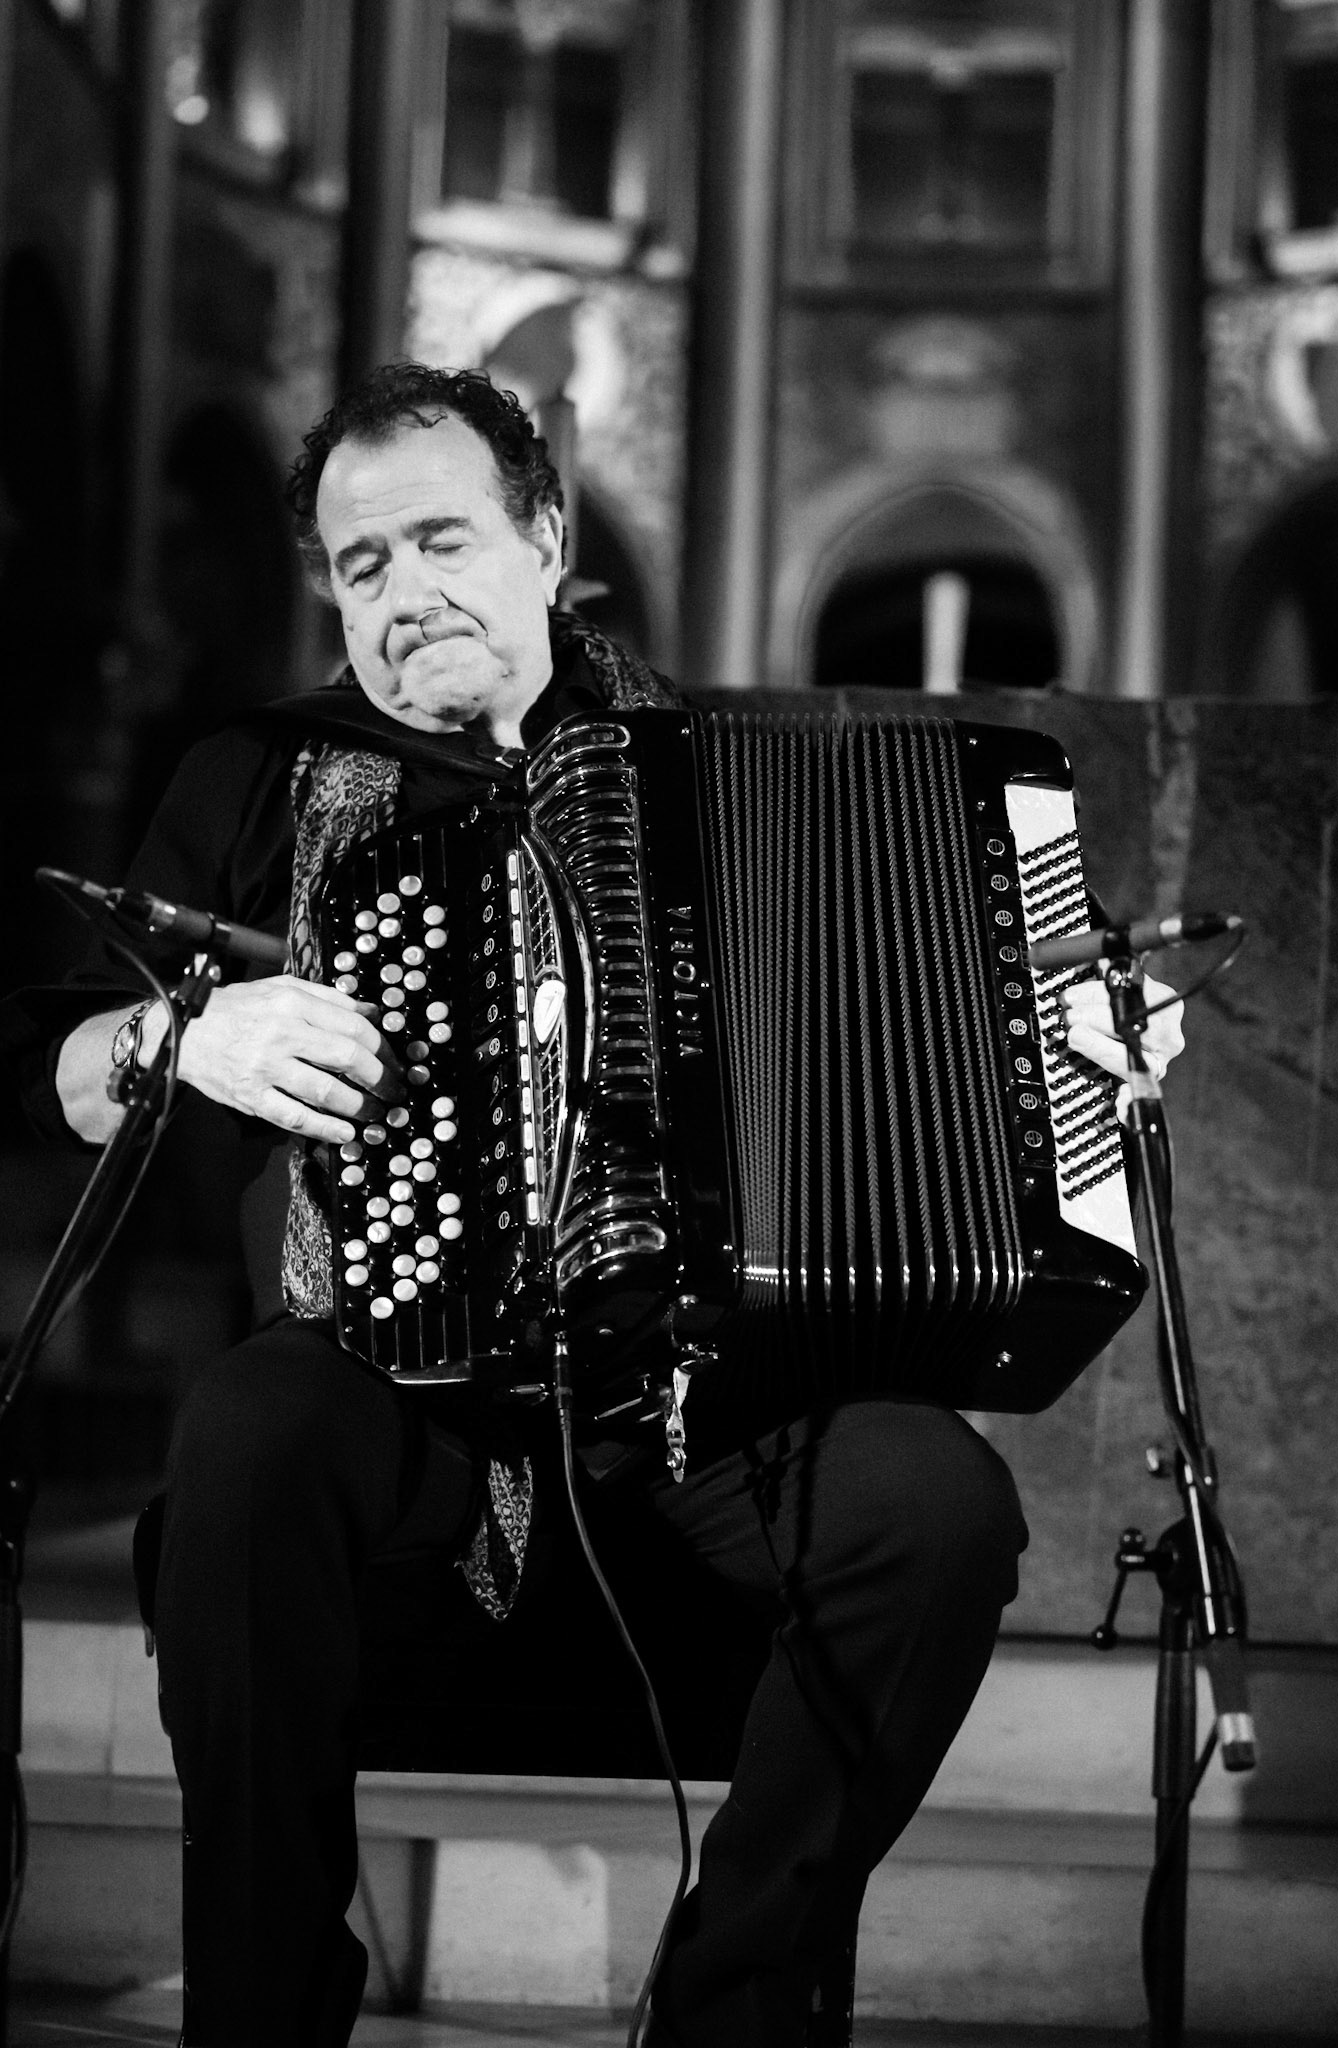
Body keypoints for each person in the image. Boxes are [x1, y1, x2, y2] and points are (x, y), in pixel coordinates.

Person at [8, 363, 1183, 2047]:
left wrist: (1072, 1058)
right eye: (362, 566)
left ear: (544, 538)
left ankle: (725, 2003)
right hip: (392, 1400)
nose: (406, 595)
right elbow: (38, 1054)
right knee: (250, 1435)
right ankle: (263, 2014)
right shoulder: (263, 778)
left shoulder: (719, 775)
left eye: (442, 541)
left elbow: (936, 1041)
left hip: (700, 1408)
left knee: (936, 1509)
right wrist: (177, 1033)